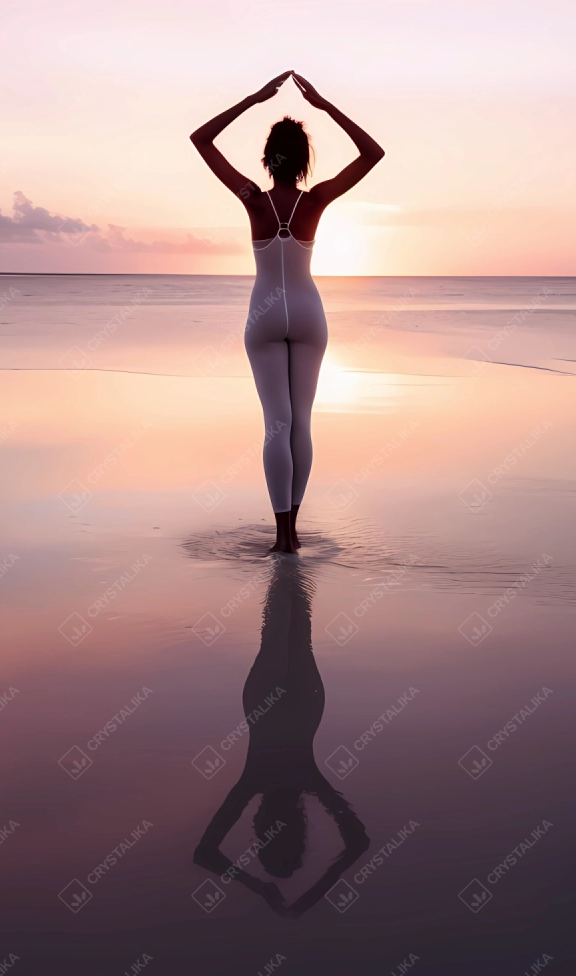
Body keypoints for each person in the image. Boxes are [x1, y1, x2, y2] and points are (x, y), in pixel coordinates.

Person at [190, 71, 384, 554]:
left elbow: (201, 139)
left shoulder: (252, 198)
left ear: (266, 159)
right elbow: (373, 153)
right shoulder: (315, 199)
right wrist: (324, 106)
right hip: (308, 312)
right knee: (302, 422)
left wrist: (253, 100)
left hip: (265, 316)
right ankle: (294, 535)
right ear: (303, 162)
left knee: (276, 422)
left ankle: (280, 537)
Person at [193, 563, 369, 914]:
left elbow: (204, 854)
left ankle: (285, 563)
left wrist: (265, 889)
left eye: (277, 844)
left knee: (284, 629)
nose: (284, 831)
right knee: (295, 627)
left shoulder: (258, 783)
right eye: (292, 843)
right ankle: (287, 562)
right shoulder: (300, 783)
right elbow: (358, 842)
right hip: (301, 699)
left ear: (262, 832)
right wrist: (265, 889)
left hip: (275, 700)